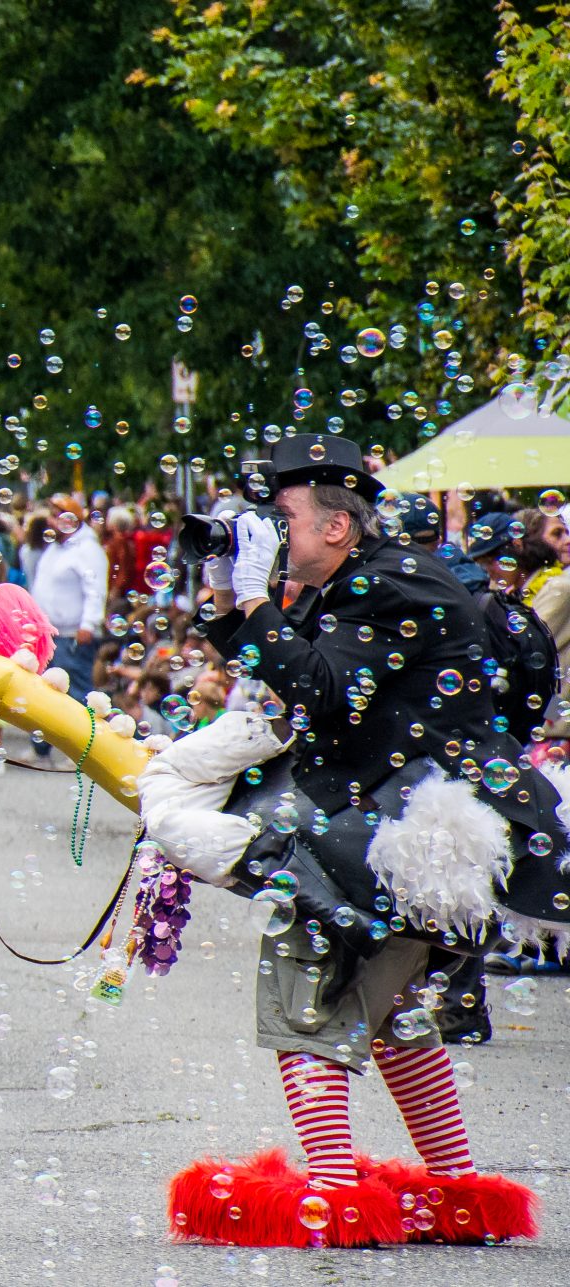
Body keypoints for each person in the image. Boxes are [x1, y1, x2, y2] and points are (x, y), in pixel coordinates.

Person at [168, 432, 546, 1246]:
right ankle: (454, 1191)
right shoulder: (370, 579)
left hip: (394, 841)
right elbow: (299, 671)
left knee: (305, 1000)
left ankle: (335, 1200)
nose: (271, 531)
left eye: (283, 517)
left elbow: (323, 691)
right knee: (397, 1010)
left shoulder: (388, 586)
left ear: (337, 526)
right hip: (415, 836)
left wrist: (258, 601)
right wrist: (232, 603)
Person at [31, 496, 107, 696]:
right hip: (52, 634)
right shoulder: (56, 548)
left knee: (77, 693)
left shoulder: (87, 549)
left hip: (73, 635)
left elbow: (95, 589)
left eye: (56, 516)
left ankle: (86, 728)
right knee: (54, 695)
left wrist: (89, 624)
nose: (49, 521)